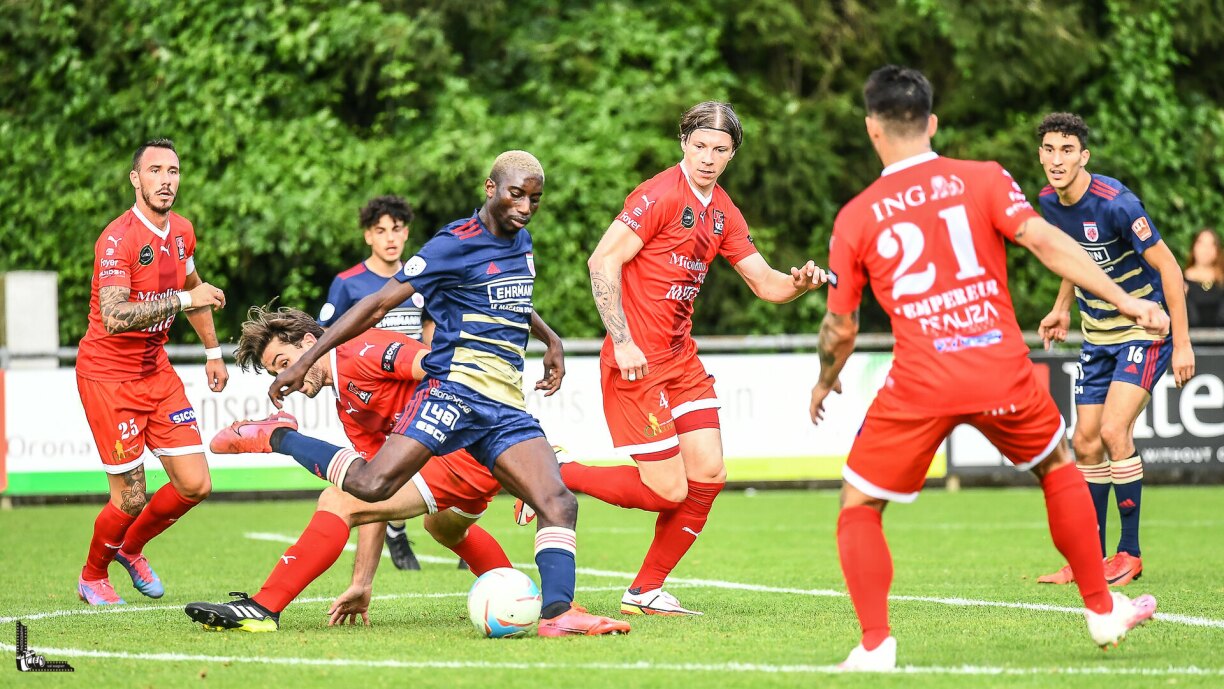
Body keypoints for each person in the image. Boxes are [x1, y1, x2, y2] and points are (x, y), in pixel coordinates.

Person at [810, 65, 1163, 671]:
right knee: (1058, 469)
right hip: (1000, 368)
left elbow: (840, 327)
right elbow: (1048, 243)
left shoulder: (857, 216)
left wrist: (824, 378)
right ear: (933, 123)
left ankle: (875, 647)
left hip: (920, 381)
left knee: (860, 507)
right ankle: (1103, 612)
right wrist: (1128, 299)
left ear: (873, 130)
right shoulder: (983, 178)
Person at [265, 151, 629, 636]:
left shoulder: (522, 241)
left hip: (503, 405)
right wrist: (307, 359)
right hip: (453, 393)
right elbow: (375, 304)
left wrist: (552, 339)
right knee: (372, 485)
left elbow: (514, 297)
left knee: (558, 502)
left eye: (535, 198)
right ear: (490, 187)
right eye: (515, 194)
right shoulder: (451, 244)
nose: (524, 206)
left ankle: (558, 615)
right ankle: (278, 436)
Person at [526, 101, 826, 617]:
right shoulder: (659, 194)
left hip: (681, 359)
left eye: (721, 149)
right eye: (700, 145)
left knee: (708, 473)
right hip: (635, 361)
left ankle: (644, 590)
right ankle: (560, 470)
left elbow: (766, 284)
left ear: (732, 154)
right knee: (668, 490)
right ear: (683, 141)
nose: (708, 158)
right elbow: (603, 261)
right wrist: (621, 340)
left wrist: (797, 284)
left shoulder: (723, 210)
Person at [183, 306, 514, 631]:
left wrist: (509, 452)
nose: (286, 379)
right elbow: (372, 487)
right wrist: (362, 583)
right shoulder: (348, 407)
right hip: (455, 464)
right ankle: (517, 598)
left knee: (337, 500)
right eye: (276, 374)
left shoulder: (363, 350)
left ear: (310, 343)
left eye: (285, 364)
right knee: (442, 527)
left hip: (464, 451)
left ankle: (263, 606)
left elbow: (442, 369)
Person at [1034, 112, 1194, 587]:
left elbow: (1170, 270)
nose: (1057, 159)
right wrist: (1061, 308)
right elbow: (1071, 257)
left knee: (1111, 430)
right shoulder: (1048, 202)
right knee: (1083, 442)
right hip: (1096, 333)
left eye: (1067, 150)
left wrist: (1182, 344)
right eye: (1049, 149)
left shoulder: (1118, 204)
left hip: (1144, 329)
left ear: (1084, 156)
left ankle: (1130, 553)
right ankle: (1090, 559)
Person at [75, 138, 229, 605]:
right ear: (135, 179)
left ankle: (131, 548)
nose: (166, 180)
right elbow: (117, 315)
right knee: (130, 498)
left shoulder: (182, 231)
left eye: (174, 171)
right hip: (109, 377)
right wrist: (186, 300)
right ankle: (92, 575)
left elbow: (192, 285)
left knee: (195, 483)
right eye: (156, 170)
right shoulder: (117, 239)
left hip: (156, 373)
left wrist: (213, 350)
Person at [319, 194, 435, 571]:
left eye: (397, 230)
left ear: (406, 234)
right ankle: (396, 534)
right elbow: (325, 338)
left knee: (442, 460)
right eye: (381, 230)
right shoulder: (348, 284)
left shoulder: (419, 278)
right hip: (371, 392)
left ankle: (451, 527)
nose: (390, 238)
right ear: (368, 236)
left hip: (415, 385)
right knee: (383, 467)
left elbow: (431, 324)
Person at [1183, 227, 1224, 328]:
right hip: (1192, 341)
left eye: (1211, 245)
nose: (1206, 249)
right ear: (1194, 247)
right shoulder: (1181, 281)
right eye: (1202, 244)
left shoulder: (1221, 281)